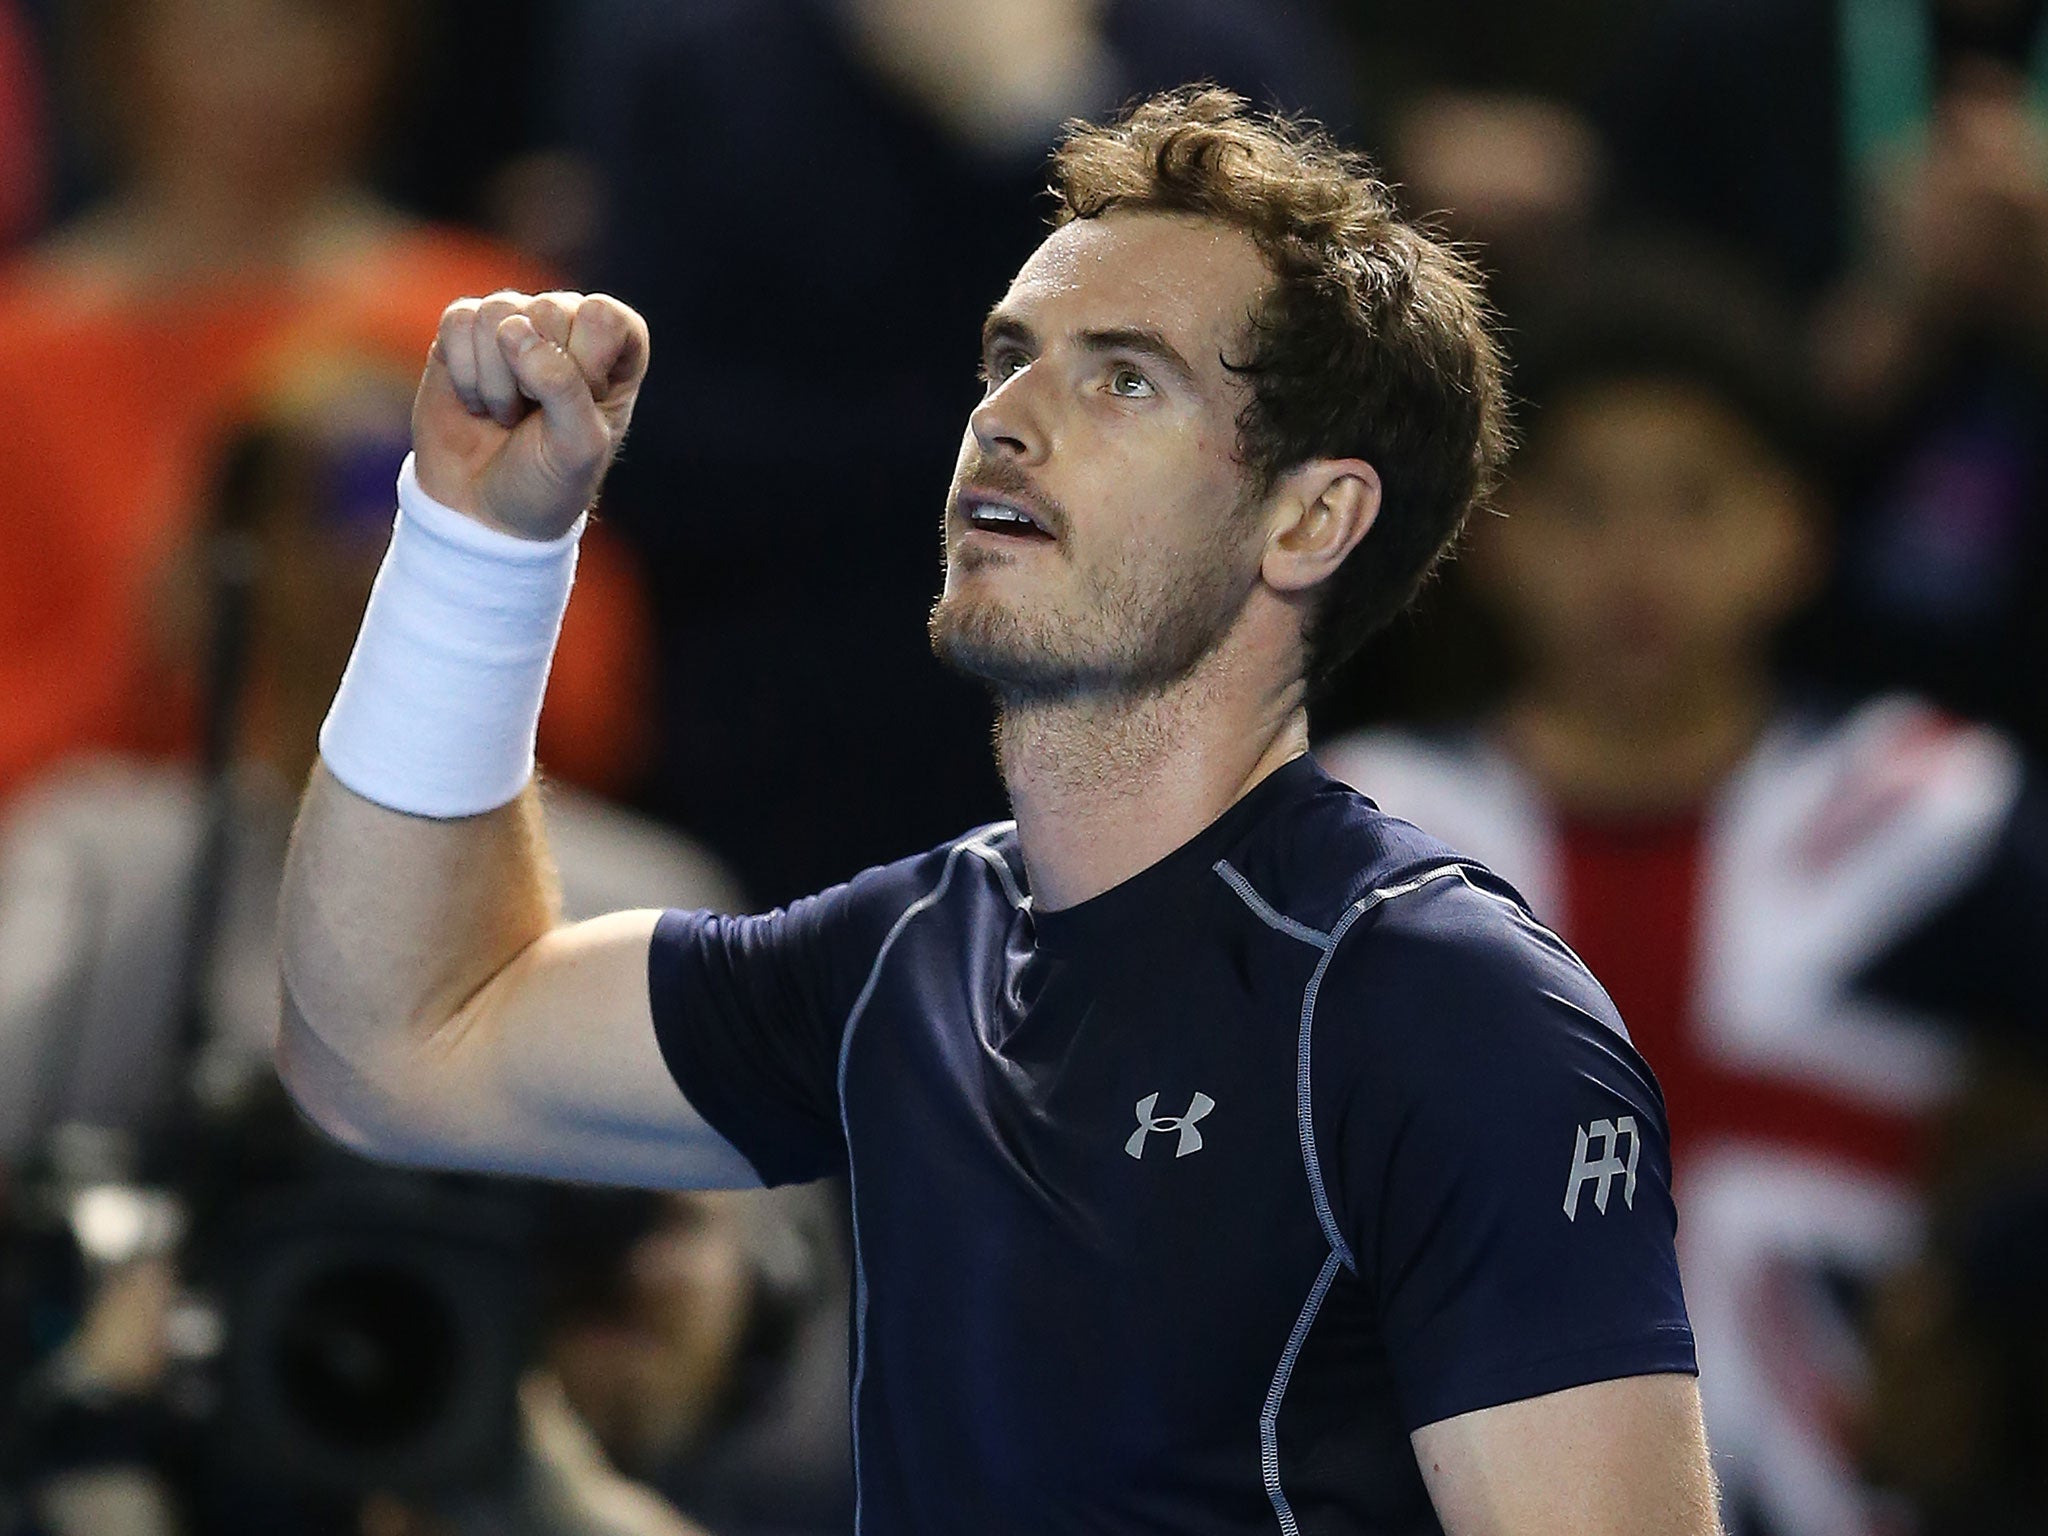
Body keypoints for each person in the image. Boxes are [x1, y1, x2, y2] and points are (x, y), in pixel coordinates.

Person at [277, 90, 1718, 1533]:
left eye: (1126, 379)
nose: (1005, 420)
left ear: (1309, 520)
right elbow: (394, 1046)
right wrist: (480, 542)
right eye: (1009, 357)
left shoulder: (1450, 1013)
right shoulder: (901, 959)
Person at [1317, 252, 2048, 1536]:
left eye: (1693, 503)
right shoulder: (1357, 839)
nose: (1634, 562)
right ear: (1485, 537)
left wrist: (1992, 1316)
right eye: (1581, 506)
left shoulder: (1930, 814)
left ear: (1795, 535)